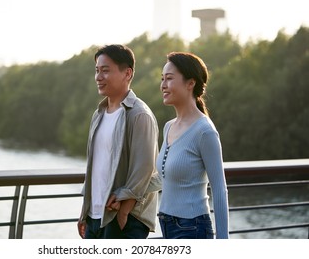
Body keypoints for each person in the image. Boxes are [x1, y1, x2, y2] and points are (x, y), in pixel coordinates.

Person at [77, 44, 160, 239]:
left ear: (127, 73)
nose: (98, 77)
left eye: (105, 71)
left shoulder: (139, 115)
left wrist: (123, 210)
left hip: (124, 219)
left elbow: (145, 169)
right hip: (95, 217)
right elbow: (95, 169)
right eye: (97, 71)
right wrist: (85, 212)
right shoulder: (98, 115)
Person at [157, 52, 229, 239]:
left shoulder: (205, 132)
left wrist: (224, 244)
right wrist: (127, 195)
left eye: (169, 79)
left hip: (192, 228)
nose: (163, 85)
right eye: (162, 79)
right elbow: (166, 176)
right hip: (166, 224)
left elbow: (220, 190)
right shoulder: (168, 127)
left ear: (191, 83)